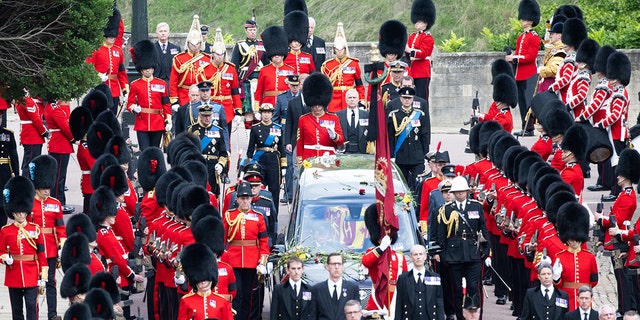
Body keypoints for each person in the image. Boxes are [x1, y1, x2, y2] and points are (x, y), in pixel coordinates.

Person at [435, 176, 490, 320]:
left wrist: (485, 250)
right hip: (454, 254)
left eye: (462, 191)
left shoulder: (476, 206)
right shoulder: (446, 209)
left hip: (473, 253)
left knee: (473, 287)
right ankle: (460, 317)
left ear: (467, 192)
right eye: (457, 191)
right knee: (457, 290)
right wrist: (443, 253)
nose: (460, 194)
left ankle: (475, 316)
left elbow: (483, 229)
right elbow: (441, 234)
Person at [90, 186, 144, 319]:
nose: (114, 215)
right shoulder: (104, 235)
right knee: (121, 313)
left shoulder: (108, 232)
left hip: (121, 276)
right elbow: (117, 260)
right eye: (111, 213)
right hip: (119, 277)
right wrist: (132, 275)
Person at [0, 176, 48, 320]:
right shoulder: (5, 230)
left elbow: (41, 253)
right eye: (18, 211)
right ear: (12, 211)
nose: (21, 214)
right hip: (13, 274)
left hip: (31, 273)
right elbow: (1, 251)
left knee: (31, 308)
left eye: (23, 211)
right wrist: (4, 259)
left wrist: (43, 276)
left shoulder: (35, 229)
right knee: (17, 311)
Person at [223, 181, 270, 320]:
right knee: (237, 294)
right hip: (233, 260)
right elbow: (223, 238)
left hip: (252, 260)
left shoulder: (258, 216)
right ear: (237, 199)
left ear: (251, 198)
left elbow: (263, 241)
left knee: (248, 296)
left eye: (247, 198)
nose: (245, 201)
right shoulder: (229, 216)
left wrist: (263, 260)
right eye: (242, 198)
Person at [28, 155, 66, 320]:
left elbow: (60, 227)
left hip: (50, 248)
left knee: (51, 282)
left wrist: (61, 245)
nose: (46, 190)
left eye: (48, 188)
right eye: (43, 187)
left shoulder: (55, 203)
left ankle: (53, 314)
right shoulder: (28, 203)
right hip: (34, 249)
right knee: (34, 285)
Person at [593, 51, 632, 202]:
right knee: (615, 161)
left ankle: (616, 192)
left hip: (618, 132)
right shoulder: (617, 92)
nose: (612, 81)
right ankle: (615, 190)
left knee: (617, 162)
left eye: (614, 78)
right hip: (614, 131)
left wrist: (601, 124)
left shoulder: (620, 93)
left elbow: (615, 115)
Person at [362, 204, 407, 318]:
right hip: (377, 297)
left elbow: (405, 281)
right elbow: (366, 261)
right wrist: (381, 248)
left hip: (396, 297)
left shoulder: (399, 257)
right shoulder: (372, 252)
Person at [128, 39, 172, 151]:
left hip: (158, 123)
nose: (147, 70)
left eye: (150, 68)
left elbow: (166, 104)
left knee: (155, 152)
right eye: (145, 68)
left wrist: (168, 120)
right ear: (141, 69)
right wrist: (134, 109)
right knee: (144, 152)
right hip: (142, 123)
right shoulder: (135, 85)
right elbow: (130, 104)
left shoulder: (161, 84)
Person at [553, 202, 598, 311]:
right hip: (565, 298)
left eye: (576, 239)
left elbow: (594, 280)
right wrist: (556, 277)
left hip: (584, 299)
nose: (573, 242)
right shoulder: (559, 257)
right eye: (570, 239)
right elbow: (556, 286)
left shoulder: (589, 257)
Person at [507, 0, 541, 136]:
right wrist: (512, 55)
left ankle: (530, 128)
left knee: (528, 102)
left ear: (531, 21)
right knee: (521, 102)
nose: (522, 20)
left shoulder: (534, 37)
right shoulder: (521, 37)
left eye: (525, 18)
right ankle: (524, 126)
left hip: (529, 74)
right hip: (519, 74)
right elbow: (518, 53)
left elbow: (531, 57)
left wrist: (515, 58)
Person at [86, 7, 128, 113]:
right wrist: (99, 76)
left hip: (114, 91)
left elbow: (121, 73)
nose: (113, 38)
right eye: (110, 36)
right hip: (99, 89)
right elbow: (89, 67)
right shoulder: (96, 49)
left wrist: (125, 90)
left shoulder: (118, 51)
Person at [295, 73, 344, 164]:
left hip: (328, 158)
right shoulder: (303, 119)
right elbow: (300, 141)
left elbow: (341, 141)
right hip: (308, 158)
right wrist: (300, 160)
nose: (317, 107)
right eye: (314, 105)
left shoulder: (333, 118)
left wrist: (334, 136)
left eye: (319, 105)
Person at [387, 87, 430, 190]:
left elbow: (424, 135)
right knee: (402, 186)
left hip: (417, 155)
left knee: (418, 184)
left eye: (409, 98)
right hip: (401, 155)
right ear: (400, 99)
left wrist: (426, 154)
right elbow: (391, 137)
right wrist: (392, 155)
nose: (407, 100)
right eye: (404, 98)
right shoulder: (394, 115)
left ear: (412, 99)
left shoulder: (420, 114)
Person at [179, 242, 233, 320]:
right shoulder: (186, 301)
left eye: (205, 280)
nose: (203, 282)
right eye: (200, 281)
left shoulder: (222, 301)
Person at [170, 15, 215, 107]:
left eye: (197, 43)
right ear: (188, 43)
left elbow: (212, 80)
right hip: (184, 95)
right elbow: (173, 81)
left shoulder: (207, 59)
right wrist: (174, 100)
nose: (195, 46)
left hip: (202, 95)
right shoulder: (179, 59)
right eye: (192, 43)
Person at [247, 103, 286, 207]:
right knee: (259, 188)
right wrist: (248, 164)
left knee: (274, 190)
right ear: (261, 114)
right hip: (260, 161)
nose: (266, 115)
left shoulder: (278, 128)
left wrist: (284, 166)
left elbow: (282, 148)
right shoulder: (255, 128)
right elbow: (250, 149)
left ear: (272, 114)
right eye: (264, 113)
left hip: (274, 161)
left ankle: (274, 215)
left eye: (268, 113)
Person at [230, 18, 268, 124]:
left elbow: (266, 65)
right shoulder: (240, 45)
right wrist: (236, 83)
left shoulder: (262, 45)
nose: (253, 32)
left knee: (262, 110)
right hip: (246, 80)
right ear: (246, 30)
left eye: (254, 30)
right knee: (248, 111)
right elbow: (235, 66)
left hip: (260, 79)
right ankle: (249, 136)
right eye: (250, 30)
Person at [321, 22, 365, 113]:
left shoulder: (353, 64)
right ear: (334, 50)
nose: (339, 52)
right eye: (337, 49)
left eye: (341, 49)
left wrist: (361, 100)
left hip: (348, 99)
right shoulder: (327, 65)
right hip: (333, 101)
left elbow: (359, 85)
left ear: (345, 50)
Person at [394, 244, 445, 320]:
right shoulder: (403, 278)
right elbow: (399, 303)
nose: (418, 257)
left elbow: (439, 302)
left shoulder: (434, 277)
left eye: (420, 254)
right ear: (411, 257)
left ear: (425, 256)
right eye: (415, 254)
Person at [188, 104, 229, 197]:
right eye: (205, 116)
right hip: (198, 165)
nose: (207, 118)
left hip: (212, 166)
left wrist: (221, 165)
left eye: (209, 115)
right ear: (200, 116)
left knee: (212, 194)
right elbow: (189, 151)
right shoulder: (192, 130)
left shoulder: (218, 130)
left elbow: (223, 153)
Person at [254, 26, 295, 120]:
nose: (276, 56)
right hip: (268, 106)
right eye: (274, 54)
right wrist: (257, 110)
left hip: (285, 105)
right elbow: (259, 92)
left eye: (279, 54)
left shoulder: (291, 70)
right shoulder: (264, 70)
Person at [208, 28, 243, 136]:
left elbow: (235, 91)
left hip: (227, 108)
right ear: (213, 54)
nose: (220, 57)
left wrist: (238, 110)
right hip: (211, 107)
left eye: (222, 54)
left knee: (226, 137)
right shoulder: (205, 69)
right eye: (217, 54)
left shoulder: (231, 69)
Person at [310, 253, 360, 320]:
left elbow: (357, 315)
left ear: (342, 266)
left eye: (339, 264)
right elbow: (313, 316)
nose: (336, 267)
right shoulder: (317, 289)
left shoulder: (352, 288)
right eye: (333, 264)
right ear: (327, 266)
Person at [406, 0, 436, 104]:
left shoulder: (428, 38)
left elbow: (424, 53)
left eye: (420, 21)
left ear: (425, 23)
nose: (417, 23)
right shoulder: (412, 36)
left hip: (422, 71)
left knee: (422, 98)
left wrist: (409, 50)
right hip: (411, 71)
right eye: (416, 21)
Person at [15, 91, 48, 178]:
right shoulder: (27, 101)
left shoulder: (21, 100)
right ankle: (27, 187)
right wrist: (44, 132)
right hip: (32, 136)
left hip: (28, 135)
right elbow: (36, 119)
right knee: (31, 164)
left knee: (28, 163)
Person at [0, 110, 19, 225]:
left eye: (0, 118)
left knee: (3, 202)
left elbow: (13, 156)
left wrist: (16, 175)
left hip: (4, 172)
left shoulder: (8, 134)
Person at [559, 124, 588, 198]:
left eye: (565, 152)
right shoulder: (576, 168)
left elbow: (559, 192)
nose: (562, 154)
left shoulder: (570, 172)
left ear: (571, 154)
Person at [337, 89, 370, 154]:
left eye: (354, 97)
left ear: (358, 100)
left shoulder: (366, 115)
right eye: (349, 98)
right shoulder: (338, 115)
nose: (352, 99)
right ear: (346, 100)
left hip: (362, 151)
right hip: (344, 151)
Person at [537, 18, 566, 92]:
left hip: (551, 85)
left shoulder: (560, 50)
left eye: (552, 34)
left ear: (559, 35)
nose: (550, 36)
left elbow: (554, 70)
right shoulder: (554, 49)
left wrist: (541, 70)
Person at [283, 11, 315, 75]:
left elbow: (312, 74)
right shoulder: (285, 57)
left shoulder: (308, 57)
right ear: (289, 42)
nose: (297, 43)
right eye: (294, 41)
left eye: (299, 41)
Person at [153, 22, 181, 87]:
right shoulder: (151, 48)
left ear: (168, 33)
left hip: (172, 81)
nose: (163, 33)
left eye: (165, 31)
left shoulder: (176, 48)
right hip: (156, 80)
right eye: (160, 31)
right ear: (157, 33)